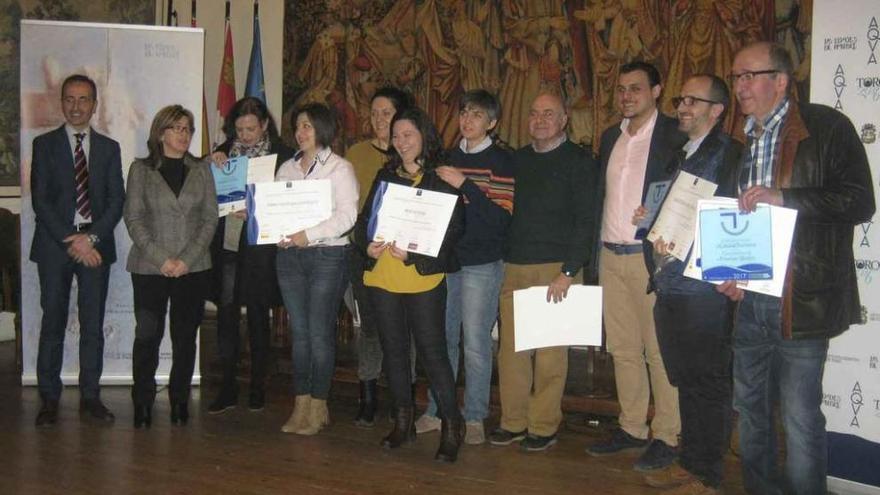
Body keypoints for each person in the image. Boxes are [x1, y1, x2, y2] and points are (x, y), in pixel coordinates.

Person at [717, 42, 874, 495]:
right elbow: (739, 218)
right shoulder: (741, 139)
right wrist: (732, 271)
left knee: (801, 418)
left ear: (781, 81)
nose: (740, 86)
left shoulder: (826, 127)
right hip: (749, 302)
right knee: (750, 414)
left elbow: (859, 201)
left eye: (749, 76)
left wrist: (786, 198)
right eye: (736, 77)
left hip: (802, 298)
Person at [637, 75, 741, 494]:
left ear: (716, 110)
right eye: (681, 100)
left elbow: (737, 214)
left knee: (707, 383)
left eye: (693, 101)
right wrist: (651, 215)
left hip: (703, 289)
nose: (682, 107)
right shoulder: (678, 154)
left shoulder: (731, 154)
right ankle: (690, 462)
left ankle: (707, 475)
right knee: (686, 380)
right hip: (669, 284)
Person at [585, 61, 685, 471]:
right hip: (610, 255)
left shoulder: (673, 135)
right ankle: (631, 427)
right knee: (623, 349)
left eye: (636, 89)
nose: (626, 96)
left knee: (659, 350)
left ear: (657, 91)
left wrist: (660, 214)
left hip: (650, 258)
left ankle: (668, 433)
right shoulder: (612, 136)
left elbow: (688, 193)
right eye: (622, 89)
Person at [353, 107, 465, 462]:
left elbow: (452, 233)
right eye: (397, 136)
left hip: (422, 277)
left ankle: (452, 425)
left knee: (433, 355)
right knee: (394, 351)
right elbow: (363, 221)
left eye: (408, 135)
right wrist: (365, 242)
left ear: (424, 137)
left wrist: (414, 255)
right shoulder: (387, 175)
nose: (401, 142)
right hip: (383, 274)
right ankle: (404, 420)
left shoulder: (441, 177)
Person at [489, 92, 598, 452]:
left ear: (564, 118)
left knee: (551, 355)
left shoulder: (581, 161)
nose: (539, 119)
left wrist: (569, 270)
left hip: (557, 270)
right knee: (512, 352)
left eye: (548, 114)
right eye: (534, 113)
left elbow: (587, 221)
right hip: (514, 265)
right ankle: (513, 421)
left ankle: (544, 425)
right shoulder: (514, 161)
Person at [415, 89, 514, 445]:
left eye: (476, 115)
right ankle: (438, 410)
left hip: (482, 263)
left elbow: (500, 219)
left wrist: (464, 184)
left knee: (474, 342)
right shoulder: (447, 157)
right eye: (464, 113)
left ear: (492, 123)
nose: (467, 121)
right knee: (440, 340)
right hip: (446, 262)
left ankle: (474, 415)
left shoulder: (501, 161)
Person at [30, 74, 125, 426]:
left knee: (92, 324)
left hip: (96, 246)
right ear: (62, 102)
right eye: (69, 98)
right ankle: (49, 399)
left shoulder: (110, 148)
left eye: (83, 99)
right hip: (56, 246)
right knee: (52, 321)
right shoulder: (44, 145)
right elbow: (41, 201)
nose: (76, 106)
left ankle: (90, 397)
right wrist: (73, 240)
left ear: (94, 105)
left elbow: (117, 201)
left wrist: (91, 239)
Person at [124, 105, 218, 428]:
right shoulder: (141, 170)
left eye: (187, 129)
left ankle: (179, 400)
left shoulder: (201, 170)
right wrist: (162, 259)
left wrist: (185, 260)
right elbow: (133, 220)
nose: (183, 135)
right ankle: (143, 402)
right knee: (147, 334)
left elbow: (209, 219)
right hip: (151, 268)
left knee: (184, 336)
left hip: (192, 269)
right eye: (177, 128)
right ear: (161, 132)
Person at [207, 97, 294, 414]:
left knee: (259, 316)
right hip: (228, 245)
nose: (244, 136)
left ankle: (258, 385)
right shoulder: (223, 153)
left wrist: (254, 210)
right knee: (226, 315)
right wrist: (211, 165)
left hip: (261, 249)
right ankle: (228, 385)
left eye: (251, 129)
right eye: (239, 129)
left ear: (265, 126)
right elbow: (207, 195)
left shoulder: (282, 157)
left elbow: (288, 203)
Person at [277, 103, 358, 436]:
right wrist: (273, 231)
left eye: (308, 126)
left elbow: (347, 217)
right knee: (300, 333)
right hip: (289, 258)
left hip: (327, 257)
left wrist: (306, 235)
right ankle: (300, 404)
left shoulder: (340, 169)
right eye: (298, 125)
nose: (301, 132)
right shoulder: (286, 168)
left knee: (319, 333)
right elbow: (276, 210)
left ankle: (318, 404)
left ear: (323, 129)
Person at [344, 87, 412, 427]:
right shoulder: (355, 153)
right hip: (365, 250)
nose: (379, 119)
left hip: (403, 253)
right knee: (370, 327)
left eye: (386, 113)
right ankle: (367, 394)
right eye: (374, 113)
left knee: (405, 328)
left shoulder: (413, 155)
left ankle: (405, 399)